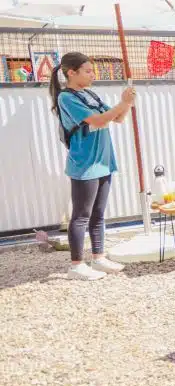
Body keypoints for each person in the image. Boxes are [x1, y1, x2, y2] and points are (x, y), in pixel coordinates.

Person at [49, 52, 136, 281]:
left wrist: (126, 104)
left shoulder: (90, 94)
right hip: (85, 163)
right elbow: (97, 121)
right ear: (71, 73)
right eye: (87, 71)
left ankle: (98, 257)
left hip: (104, 162)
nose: (92, 75)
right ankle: (76, 265)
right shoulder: (67, 98)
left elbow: (116, 118)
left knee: (98, 214)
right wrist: (122, 103)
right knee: (81, 216)